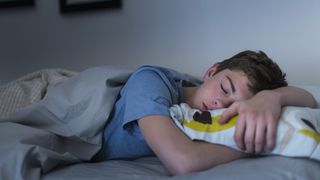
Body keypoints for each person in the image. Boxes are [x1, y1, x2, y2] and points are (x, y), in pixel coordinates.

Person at [96, 50, 316, 175]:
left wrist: (270, 98)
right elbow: (183, 162)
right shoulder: (151, 82)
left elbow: (313, 98)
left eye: (232, 107)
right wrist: (257, 145)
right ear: (211, 71)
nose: (220, 104)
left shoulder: (201, 113)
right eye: (224, 88)